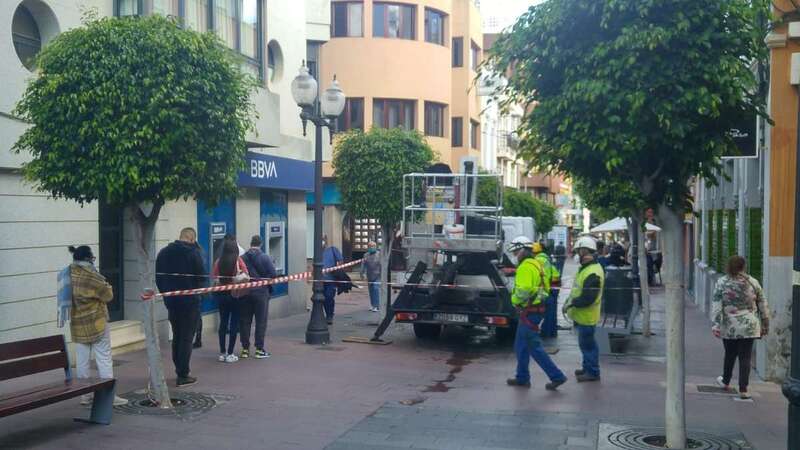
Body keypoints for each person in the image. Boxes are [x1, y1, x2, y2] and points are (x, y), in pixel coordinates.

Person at [66, 245, 128, 406]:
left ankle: (85, 395)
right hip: (96, 322)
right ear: (88, 259)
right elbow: (108, 296)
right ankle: (109, 395)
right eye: (92, 258)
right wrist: (108, 285)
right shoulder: (93, 277)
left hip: (77, 321)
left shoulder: (67, 274)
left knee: (82, 359)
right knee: (104, 357)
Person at [506, 236, 567, 390]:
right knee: (521, 345)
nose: (514, 255)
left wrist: (514, 301)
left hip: (529, 311)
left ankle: (557, 376)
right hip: (535, 309)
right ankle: (522, 377)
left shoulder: (526, 266)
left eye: (515, 252)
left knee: (534, 347)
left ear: (522, 250)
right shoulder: (537, 264)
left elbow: (523, 290)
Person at [712, 255, 769, 400]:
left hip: (729, 325)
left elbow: (717, 304)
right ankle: (743, 389)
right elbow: (762, 303)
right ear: (744, 266)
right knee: (745, 357)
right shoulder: (753, 282)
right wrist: (765, 323)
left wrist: (716, 324)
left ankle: (725, 381)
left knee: (730, 354)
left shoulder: (722, 282)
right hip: (749, 325)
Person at [156, 228, 206, 387]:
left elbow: (159, 278)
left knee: (177, 336)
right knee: (186, 337)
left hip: (171, 301)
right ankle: (183, 374)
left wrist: (165, 295)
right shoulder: (192, 253)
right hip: (190, 302)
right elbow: (201, 277)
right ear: (191, 238)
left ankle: (179, 368)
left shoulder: (163, 252)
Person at [563, 236, 605, 382]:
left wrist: (572, 303)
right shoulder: (587, 269)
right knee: (585, 344)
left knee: (588, 345)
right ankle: (587, 367)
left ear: (585, 252)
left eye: (579, 251)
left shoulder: (593, 272)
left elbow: (588, 298)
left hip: (587, 316)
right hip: (583, 316)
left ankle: (592, 372)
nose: (577, 255)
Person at [212, 236, 249, 363]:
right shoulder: (238, 261)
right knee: (234, 324)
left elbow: (214, 277)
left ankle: (222, 352)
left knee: (223, 323)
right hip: (235, 295)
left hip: (222, 295)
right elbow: (247, 276)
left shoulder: (218, 261)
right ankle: (230, 353)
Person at [239, 235, 277, 359]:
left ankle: (245, 349)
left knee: (245, 321)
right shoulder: (265, 257)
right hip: (261, 293)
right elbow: (273, 274)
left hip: (245, 293)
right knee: (261, 321)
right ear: (260, 244)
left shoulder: (242, 258)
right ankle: (259, 349)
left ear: (251, 243)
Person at [533, 242, 560, 338]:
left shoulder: (538, 260)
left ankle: (546, 333)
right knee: (552, 313)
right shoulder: (546, 258)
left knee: (547, 313)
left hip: (546, 289)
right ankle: (552, 332)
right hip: (553, 287)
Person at [322, 234, 343, 324]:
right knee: (321, 298)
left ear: (326, 240)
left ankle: (330, 315)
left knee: (329, 297)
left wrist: (336, 270)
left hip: (331, 279)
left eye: (322, 239)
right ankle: (326, 314)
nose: (321, 241)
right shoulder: (317, 251)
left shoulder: (333, 250)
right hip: (320, 280)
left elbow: (341, 261)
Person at [360, 241, 382, 312]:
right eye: (370, 246)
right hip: (369, 275)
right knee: (371, 290)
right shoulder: (366, 255)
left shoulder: (379, 254)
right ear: (368, 247)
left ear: (376, 247)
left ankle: (377, 306)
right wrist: (362, 273)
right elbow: (363, 265)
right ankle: (373, 305)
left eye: (373, 246)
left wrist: (383, 275)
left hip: (378, 275)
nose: (372, 247)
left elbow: (382, 265)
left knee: (375, 289)